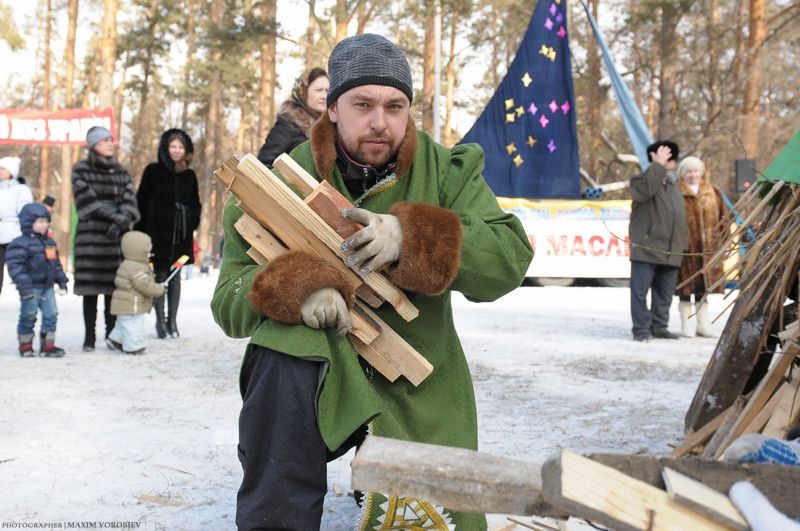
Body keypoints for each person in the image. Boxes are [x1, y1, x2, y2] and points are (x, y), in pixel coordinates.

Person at [211, 33, 534, 530]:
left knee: (443, 518)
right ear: (332, 108)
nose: (380, 121)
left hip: (415, 368)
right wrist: (298, 288)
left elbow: (508, 259)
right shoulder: (275, 181)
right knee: (282, 349)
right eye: (363, 104)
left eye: (395, 106)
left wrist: (413, 237)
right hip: (320, 360)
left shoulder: (446, 171)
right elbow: (229, 301)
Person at [72, 126, 140, 351]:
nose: (111, 143)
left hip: (114, 237)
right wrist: (116, 217)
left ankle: (111, 335)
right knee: (90, 290)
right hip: (90, 236)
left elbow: (130, 198)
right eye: (105, 140)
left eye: (111, 140)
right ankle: (89, 338)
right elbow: (87, 200)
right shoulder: (80, 169)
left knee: (114, 287)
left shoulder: (121, 171)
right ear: (94, 145)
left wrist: (123, 219)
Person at [134, 128, 201, 338]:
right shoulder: (152, 171)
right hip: (157, 234)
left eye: (180, 147)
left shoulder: (189, 175)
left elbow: (195, 204)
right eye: (172, 146)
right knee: (159, 276)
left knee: (175, 277)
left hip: (181, 235)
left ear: (186, 150)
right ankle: (160, 321)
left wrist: (191, 220)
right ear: (165, 148)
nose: (176, 150)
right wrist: (141, 232)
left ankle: (173, 321)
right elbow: (141, 201)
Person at [628, 140, 688, 342]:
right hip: (647, 248)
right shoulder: (640, 182)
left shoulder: (674, 187)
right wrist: (658, 166)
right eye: (664, 158)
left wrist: (682, 246)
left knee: (665, 295)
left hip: (671, 250)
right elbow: (645, 191)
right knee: (640, 293)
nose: (670, 163)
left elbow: (679, 218)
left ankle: (659, 326)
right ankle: (641, 330)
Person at [6, 202, 69, 357]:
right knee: (28, 315)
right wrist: (24, 285)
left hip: (47, 286)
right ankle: (26, 344)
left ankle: (48, 345)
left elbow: (55, 264)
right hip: (30, 287)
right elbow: (16, 267)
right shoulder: (19, 244)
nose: (44, 225)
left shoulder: (49, 243)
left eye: (46, 221)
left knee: (51, 314)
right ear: (29, 222)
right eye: (40, 222)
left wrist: (61, 281)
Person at [676, 156, 727, 337]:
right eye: (689, 171)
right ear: (682, 174)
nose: (693, 175)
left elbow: (724, 218)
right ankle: (686, 325)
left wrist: (724, 242)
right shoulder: (675, 192)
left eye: (696, 171)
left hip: (708, 249)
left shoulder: (712, 192)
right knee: (685, 287)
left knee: (702, 288)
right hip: (685, 250)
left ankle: (702, 324)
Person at [106, 231, 166, 355]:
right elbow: (145, 286)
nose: (149, 254)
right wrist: (159, 289)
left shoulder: (127, 264)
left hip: (124, 304)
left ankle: (115, 340)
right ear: (138, 251)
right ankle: (133, 347)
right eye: (147, 252)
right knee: (133, 326)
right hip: (132, 306)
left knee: (123, 325)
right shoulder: (136, 268)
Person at [256, 67, 329, 168]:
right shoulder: (288, 124)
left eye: (327, 91)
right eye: (319, 90)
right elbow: (263, 166)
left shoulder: (330, 128)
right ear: (303, 92)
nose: (324, 96)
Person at [0, 156, 33, 296]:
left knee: (18, 270)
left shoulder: (21, 190)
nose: (0, 171)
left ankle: (27, 297)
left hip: (15, 235)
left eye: (3, 169)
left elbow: (25, 212)